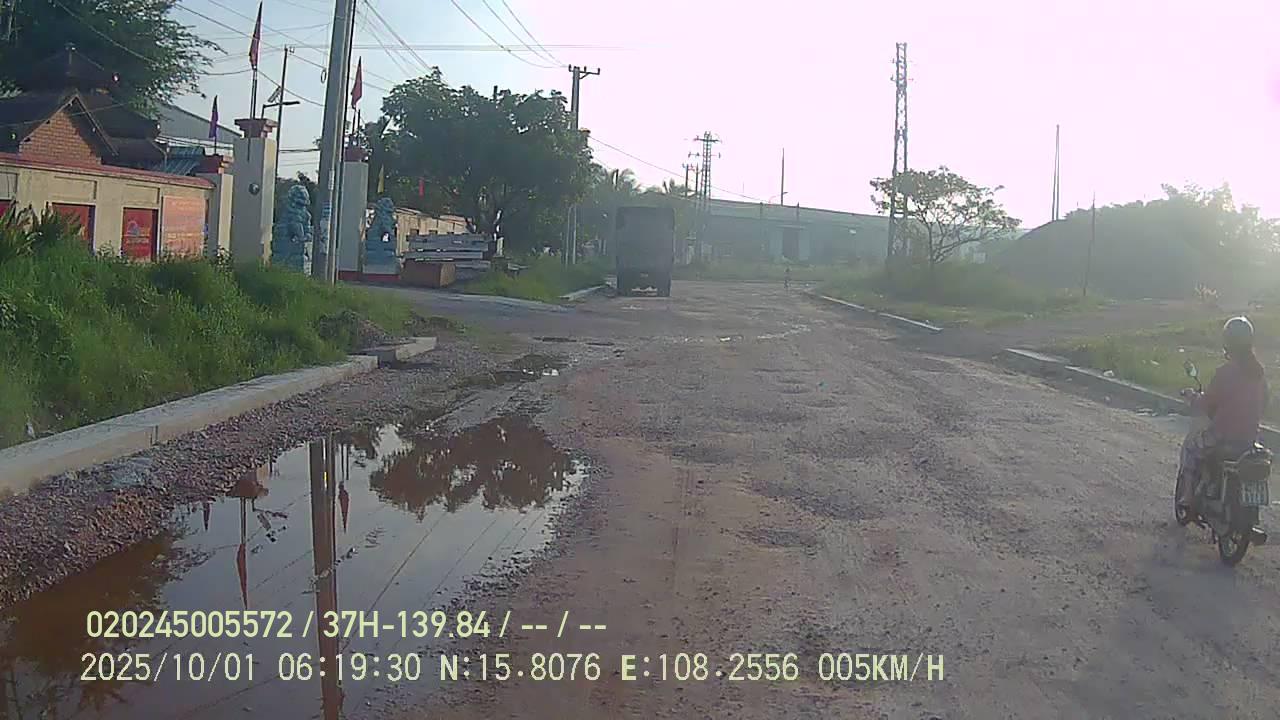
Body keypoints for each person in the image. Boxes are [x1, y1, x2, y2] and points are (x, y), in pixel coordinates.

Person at [1178, 316, 1270, 506]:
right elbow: (1264, 403)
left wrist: (1192, 397)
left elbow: (1207, 402)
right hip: (1249, 440)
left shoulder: (1226, 372)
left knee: (1190, 447)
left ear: (1228, 342)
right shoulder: (1259, 374)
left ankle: (1187, 497)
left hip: (1223, 437)